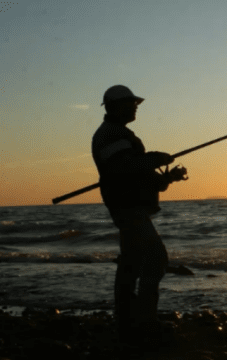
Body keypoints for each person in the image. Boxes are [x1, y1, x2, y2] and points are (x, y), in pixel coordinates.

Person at [91, 85, 187, 345]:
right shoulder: (110, 135)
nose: (135, 106)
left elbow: (136, 174)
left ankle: (127, 323)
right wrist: (155, 157)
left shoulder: (119, 134)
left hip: (131, 206)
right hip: (127, 209)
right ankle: (144, 323)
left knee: (131, 264)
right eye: (131, 103)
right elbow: (125, 167)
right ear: (116, 105)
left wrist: (167, 177)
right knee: (155, 259)